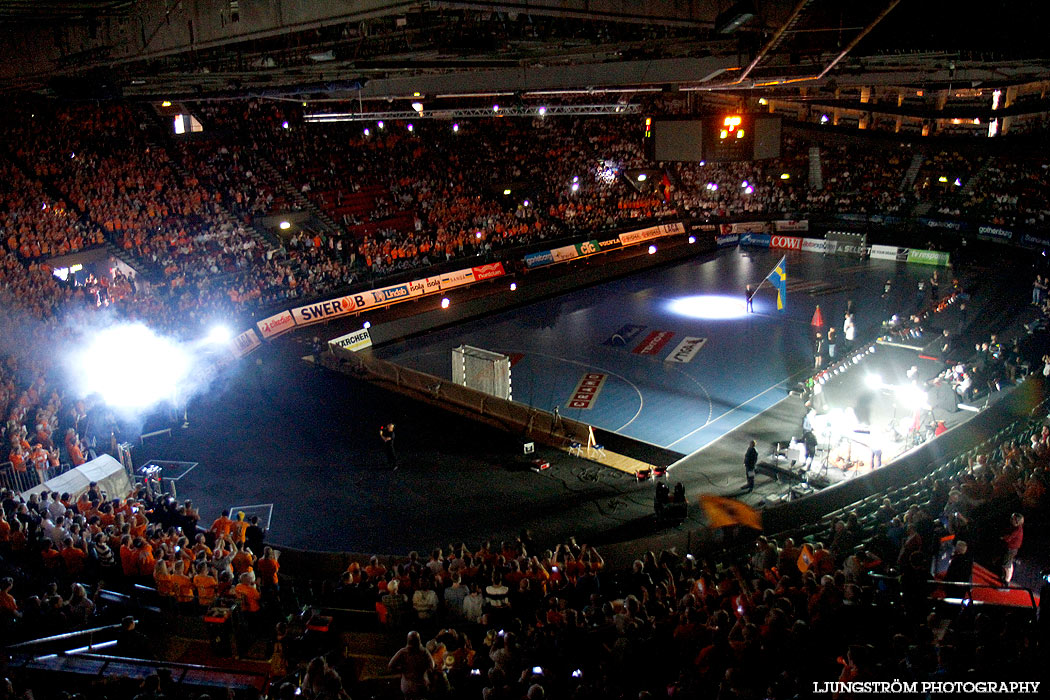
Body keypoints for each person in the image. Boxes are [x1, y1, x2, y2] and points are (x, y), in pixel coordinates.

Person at [388, 630, 435, 700]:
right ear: (419, 640)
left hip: (406, 686)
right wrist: (425, 671)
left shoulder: (402, 652)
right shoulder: (424, 652)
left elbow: (390, 666)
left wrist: (402, 669)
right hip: (421, 685)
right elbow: (432, 665)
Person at [1001, 512, 1024, 584]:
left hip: (1011, 549)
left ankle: (1006, 582)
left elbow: (1009, 538)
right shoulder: (1016, 528)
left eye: (1012, 519)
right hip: (1012, 548)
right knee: (1008, 563)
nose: (1011, 520)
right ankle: (1005, 578)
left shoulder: (1017, 530)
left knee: (1006, 565)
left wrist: (1003, 538)